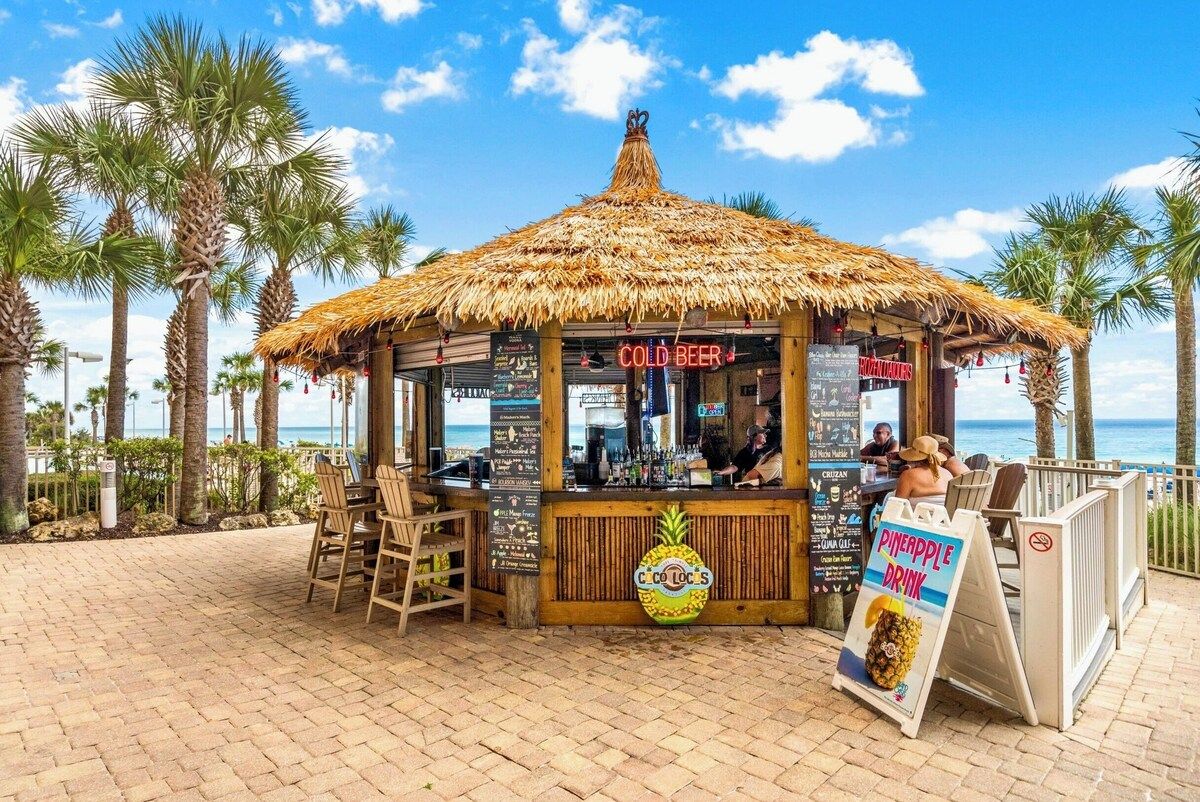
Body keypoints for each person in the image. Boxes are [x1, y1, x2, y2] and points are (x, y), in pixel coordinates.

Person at [895, 435, 952, 507]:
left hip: (918, 517)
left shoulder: (909, 475)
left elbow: (897, 505)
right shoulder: (947, 474)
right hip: (944, 517)